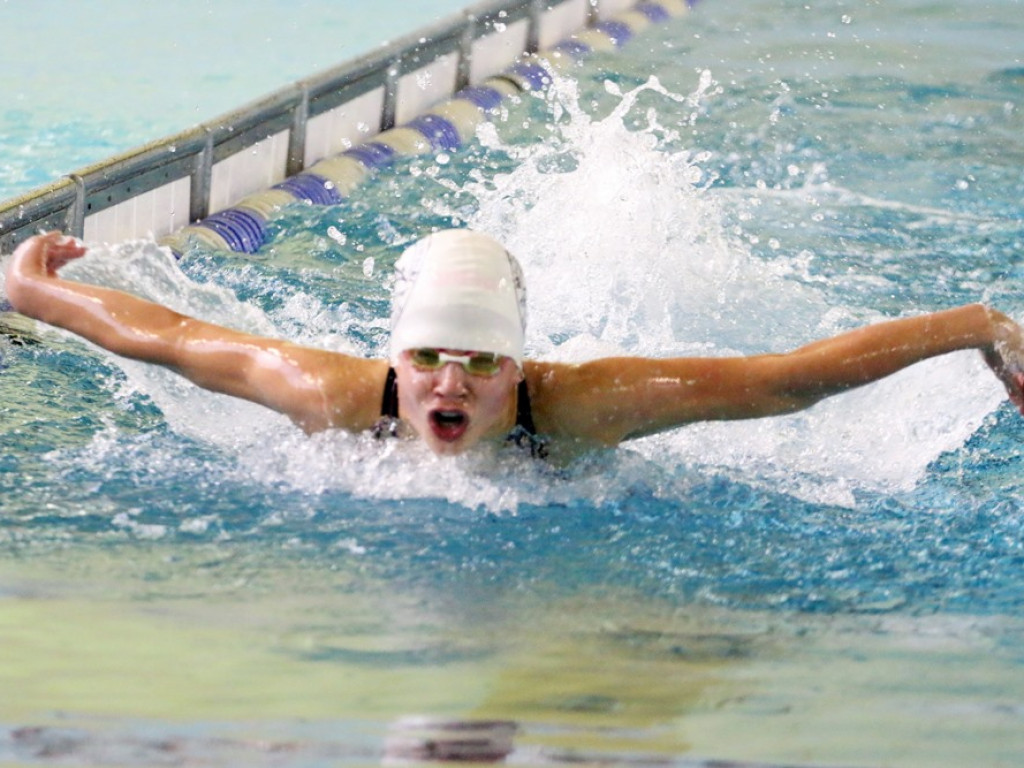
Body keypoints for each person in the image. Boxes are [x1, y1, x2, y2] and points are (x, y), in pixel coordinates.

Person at [5, 229, 1024, 459]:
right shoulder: (328, 392)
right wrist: (35, 291)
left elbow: (780, 383)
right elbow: (176, 340)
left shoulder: (580, 401)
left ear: (519, 364)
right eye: (430, 361)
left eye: (483, 362)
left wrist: (977, 326)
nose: (451, 383)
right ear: (392, 357)